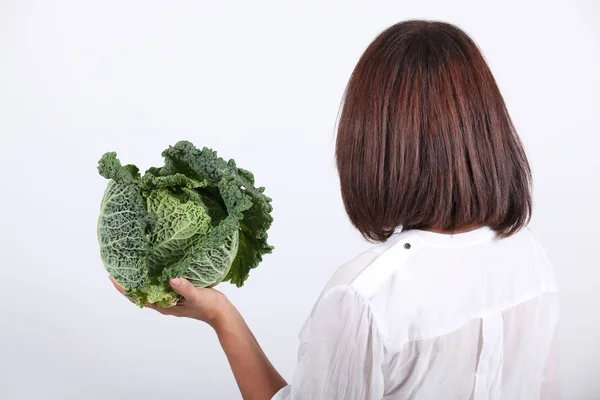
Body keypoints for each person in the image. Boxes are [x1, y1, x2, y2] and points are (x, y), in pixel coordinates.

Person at [111, 20, 559, 400]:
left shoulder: (365, 296)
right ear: (486, 130)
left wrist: (219, 316)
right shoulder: (529, 257)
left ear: (372, 141)